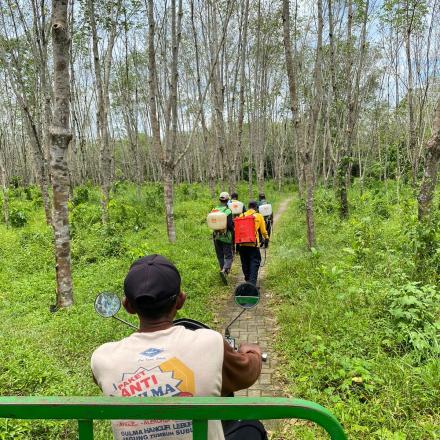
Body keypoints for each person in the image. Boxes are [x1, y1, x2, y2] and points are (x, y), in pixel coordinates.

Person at [91, 254, 262, 440]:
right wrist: (252, 351)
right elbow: (248, 373)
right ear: (180, 300)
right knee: (251, 426)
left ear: (127, 306)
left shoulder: (102, 359)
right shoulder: (210, 343)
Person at [237, 201, 269, 286]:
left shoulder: (242, 215)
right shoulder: (259, 216)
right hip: (253, 245)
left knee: (245, 263)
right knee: (254, 263)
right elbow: (263, 231)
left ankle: (248, 281)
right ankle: (252, 284)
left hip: (242, 245)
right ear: (256, 207)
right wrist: (266, 238)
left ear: (248, 207)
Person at [213, 192, 234, 284]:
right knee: (229, 255)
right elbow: (229, 225)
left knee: (220, 255)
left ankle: (222, 270)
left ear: (220, 200)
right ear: (227, 200)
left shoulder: (214, 210)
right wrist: (233, 232)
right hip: (225, 237)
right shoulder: (228, 211)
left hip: (216, 236)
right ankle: (225, 270)